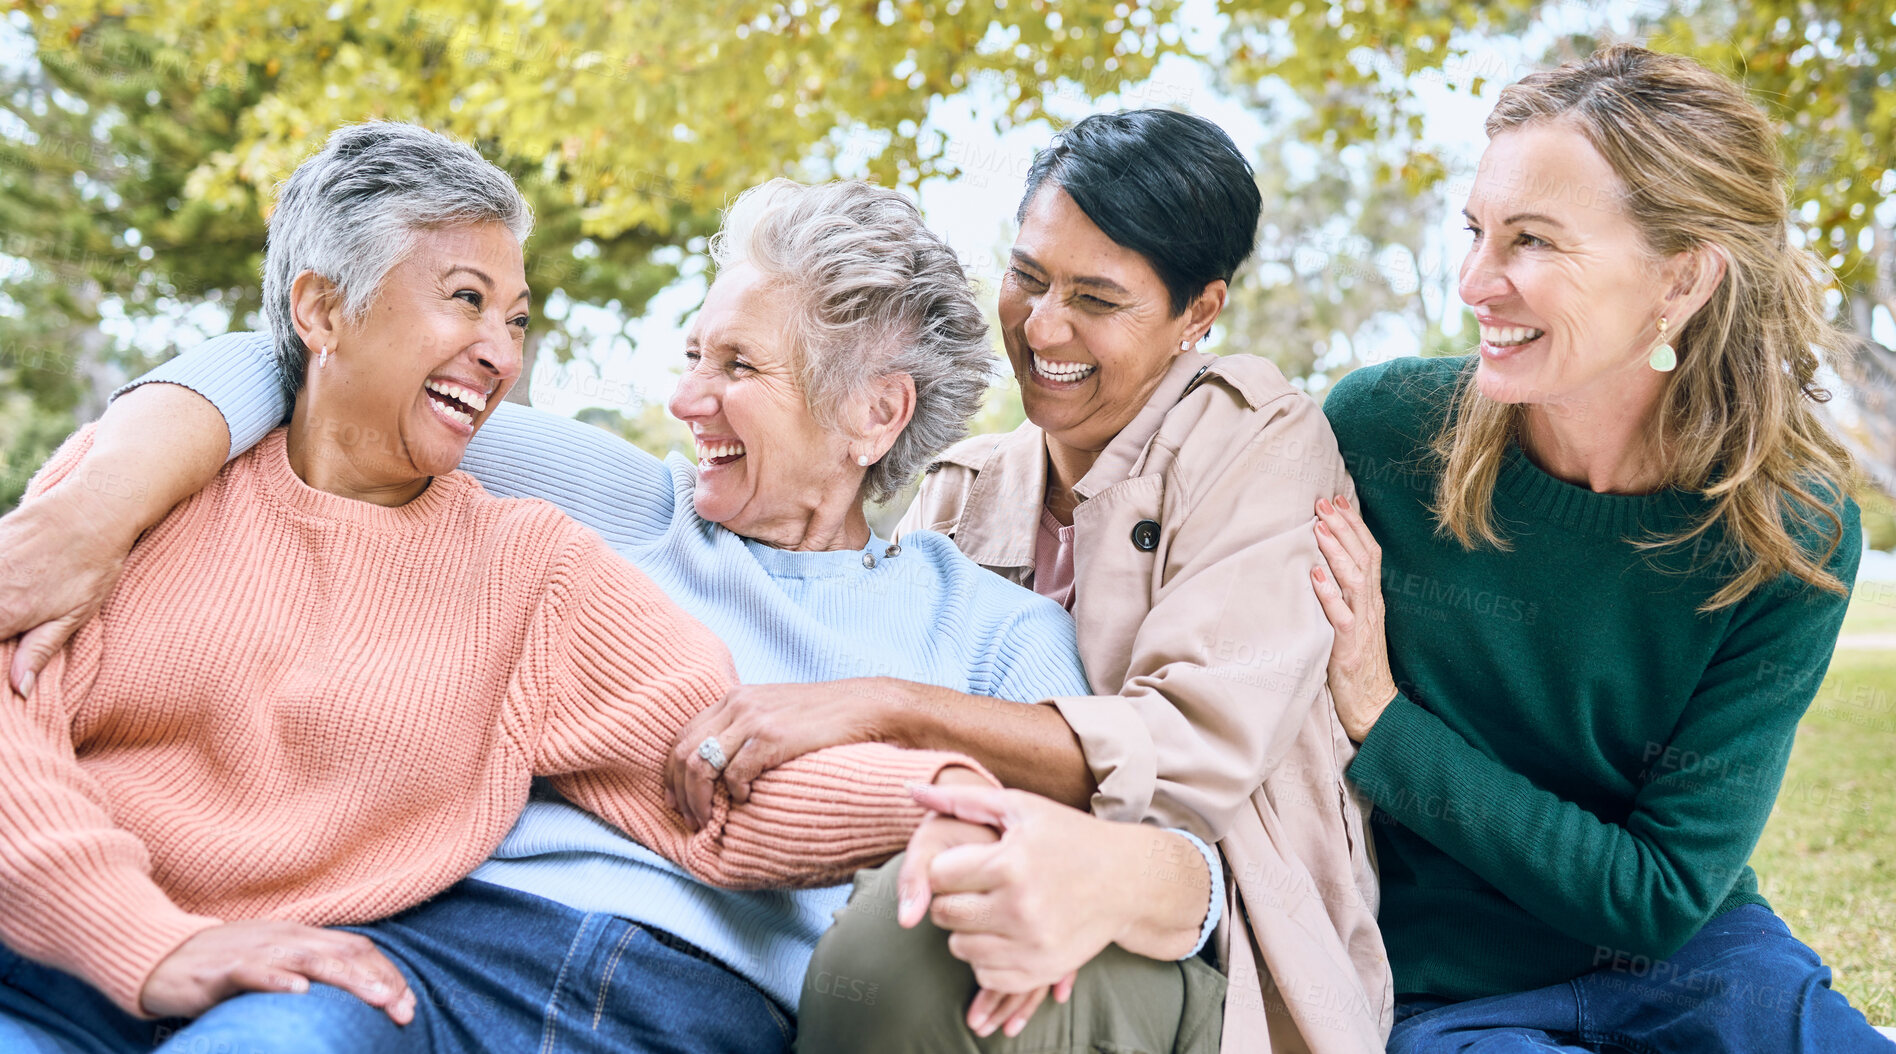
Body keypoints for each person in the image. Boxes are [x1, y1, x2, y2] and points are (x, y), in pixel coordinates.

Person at [0, 163, 1224, 1049]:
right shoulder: (621, 501)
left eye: (734, 367)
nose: (685, 398)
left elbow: (1119, 832)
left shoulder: (995, 636)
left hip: (700, 1007)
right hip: (438, 948)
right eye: (693, 353)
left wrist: (953, 796)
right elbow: (301, 362)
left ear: (876, 414)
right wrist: (92, 509)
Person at [760, 109, 1391, 1053]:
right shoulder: (961, 486)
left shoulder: (1256, 440)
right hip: (992, 877)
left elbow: (1185, 757)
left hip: (1216, 959)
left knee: (913, 950)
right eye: (1027, 277)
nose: (1042, 326)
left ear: (1200, 311)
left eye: (1097, 299)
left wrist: (892, 709)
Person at [1309, 45, 1891, 1052]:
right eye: (1476, 231)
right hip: (1449, 988)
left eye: (1531, 241)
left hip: (1702, 970)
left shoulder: (1790, 529)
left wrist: (1383, 718)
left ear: (1683, 276)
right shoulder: (1379, 435)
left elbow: (1663, 894)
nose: (1475, 282)